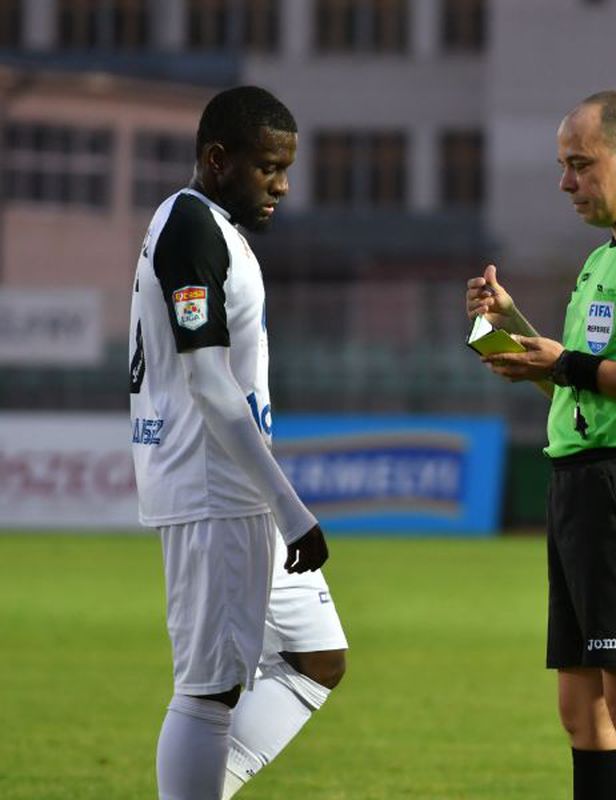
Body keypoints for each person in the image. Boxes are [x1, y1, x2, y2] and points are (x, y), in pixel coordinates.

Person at [466, 90, 616, 800]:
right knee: (583, 714)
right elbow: (588, 392)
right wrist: (517, 336)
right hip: (583, 488)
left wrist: (564, 364)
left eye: (580, 164)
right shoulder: (608, 256)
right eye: (562, 165)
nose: (565, 182)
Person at [128, 86, 348, 800]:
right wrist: (292, 510)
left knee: (318, 656)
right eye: (268, 168)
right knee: (209, 691)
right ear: (218, 160)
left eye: (287, 168)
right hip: (212, 487)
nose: (282, 184)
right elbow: (209, 384)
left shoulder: (216, 230)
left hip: (237, 487)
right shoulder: (190, 226)